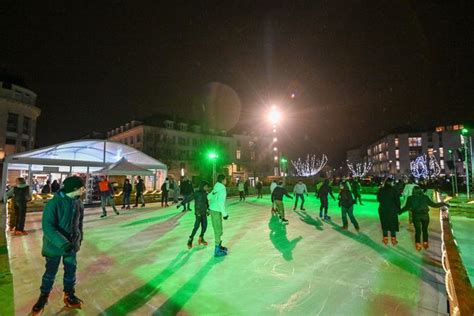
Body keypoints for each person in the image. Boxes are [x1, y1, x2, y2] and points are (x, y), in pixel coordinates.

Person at [31, 176, 85, 315]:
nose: (84, 189)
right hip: (54, 246)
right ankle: (43, 297)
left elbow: (79, 223)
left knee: (71, 270)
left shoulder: (78, 203)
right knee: (50, 273)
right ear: (74, 189)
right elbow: (48, 227)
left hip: (71, 246)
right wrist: (63, 243)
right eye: (81, 187)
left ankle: (69, 294)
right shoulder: (54, 204)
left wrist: (79, 238)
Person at [400, 186, 448, 251]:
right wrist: (443, 203)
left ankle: (418, 244)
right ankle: (425, 242)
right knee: (425, 230)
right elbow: (434, 205)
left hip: (416, 216)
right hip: (425, 216)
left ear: (413, 191)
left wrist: (399, 211)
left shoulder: (410, 198)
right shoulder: (425, 197)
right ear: (420, 190)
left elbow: (406, 207)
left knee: (418, 231)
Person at [177, 181, 210, 249]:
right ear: (202, 186)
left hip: (204, 212)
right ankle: (190, 239)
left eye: (207, 187)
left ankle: (201, 238)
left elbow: (206, 203)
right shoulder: (196, 193)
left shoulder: (206, 194)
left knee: (205, 226)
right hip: (198, 212)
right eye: (206, 186)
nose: (207, 188)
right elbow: (188, 198)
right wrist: (181, 203)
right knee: (196, 226)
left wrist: (208, 209)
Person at [208, 174, 229, 257]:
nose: (226, 181)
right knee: (218, 230)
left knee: (218, 229)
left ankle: (219, 246)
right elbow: (221, 202)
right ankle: (217, 250)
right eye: (225, 179)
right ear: (223, 180)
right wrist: (225, 214)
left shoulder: (216, 188)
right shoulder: (222, 189)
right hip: (216, 211)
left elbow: (208, 197)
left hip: (213, 210)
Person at [376, 178, 401, 245]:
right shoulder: (394, 190)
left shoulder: (381, 190)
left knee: (384, 222)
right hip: (392, 209)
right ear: (391, 183)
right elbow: (397, 201)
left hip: (383, 209)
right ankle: (393, 239)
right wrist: (398, 209)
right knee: (392, 223)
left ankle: (385, 238)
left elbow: (378, 199)